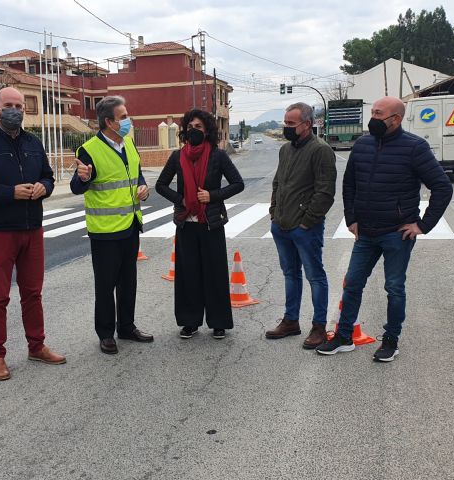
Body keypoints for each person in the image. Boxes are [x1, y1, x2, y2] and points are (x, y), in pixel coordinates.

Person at [317, 96, 453, 361]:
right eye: (373, 112)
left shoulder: (415, 147)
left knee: (394, 287)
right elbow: (350, 184)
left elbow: (442, 187)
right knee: (353, 284)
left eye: (379, 114)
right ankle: (344, 337)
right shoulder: (363, 144)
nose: (373, 118)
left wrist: (422, 225)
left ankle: (391, 340)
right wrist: (351, 218)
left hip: (396, 232)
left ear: (396, 119)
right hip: (366, 231)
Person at [0, 86, 66, 381]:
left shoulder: (33, 143)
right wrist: (10, 193)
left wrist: (44, 187)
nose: (15, 110)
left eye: (19, 106)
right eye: (9, 105)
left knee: (33, 293)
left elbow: (48, 175)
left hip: (33, 228)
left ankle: (37, 345)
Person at [70, 95, 154, 355]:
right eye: (123, 117)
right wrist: (82, 178)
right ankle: (106, 333)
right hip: (105, 231)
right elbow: (77, 186)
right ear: (109, 122)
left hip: (130, 225)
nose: (129, 121)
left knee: (129, 281)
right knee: (105, 285)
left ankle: (126, 327)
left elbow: (136, 174)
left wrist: (143, 187)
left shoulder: (129, 144)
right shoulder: (89, 150)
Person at [156, 109, 244, 339]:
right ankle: (189, 322)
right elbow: (161, 185)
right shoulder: (177, 156)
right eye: (190, 127)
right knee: (188, 275)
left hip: (211, 223)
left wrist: (213, 195)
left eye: (198, 127)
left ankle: (218, 322)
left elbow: (237, 183)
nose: (193, 131)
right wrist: (181, 199)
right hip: (186, 223)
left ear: (207, 131)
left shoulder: (218, 155)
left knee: (214, 274)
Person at [265, 102, 337, 349]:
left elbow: (325, 192)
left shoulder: (321, 150)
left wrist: (307, 222)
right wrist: (274, 213)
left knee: (315, 276)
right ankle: (291, 321)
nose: (286, 128)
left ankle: (319, 327)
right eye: (285, 123)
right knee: (290, 274)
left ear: (307, 124)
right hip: (281, 226)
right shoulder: (285, 150)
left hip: (305, 229)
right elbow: (278, 183)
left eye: (291, 124)